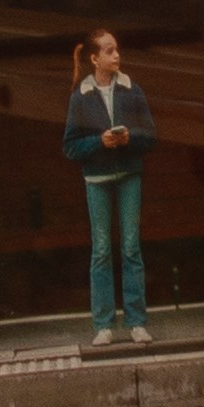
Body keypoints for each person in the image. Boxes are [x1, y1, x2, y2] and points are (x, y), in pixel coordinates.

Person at [61, 25, 154, 352]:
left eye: (117, 50)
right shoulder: (81, 96)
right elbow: (70, 147)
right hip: (97, 181)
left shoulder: (131, 89)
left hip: (129, 174)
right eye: (109, 51)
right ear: (94, 58)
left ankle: (136, 322)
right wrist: (98, 142)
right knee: (101, 249)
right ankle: (103, 325)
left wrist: (131, 138)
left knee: (131, 246)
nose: (116, 56)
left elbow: (150, 135)